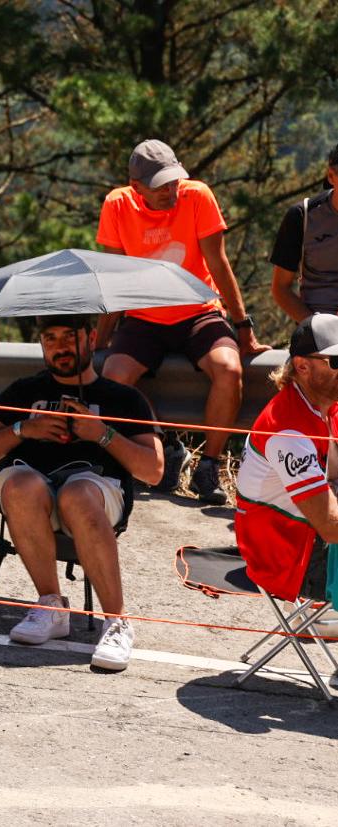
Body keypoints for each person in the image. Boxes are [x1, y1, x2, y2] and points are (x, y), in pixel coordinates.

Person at [0, 315, 163, 672]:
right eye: (50, 338)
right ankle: (51, 605)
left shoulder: (123, 398)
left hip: (95, 492)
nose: (59, 346)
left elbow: (154, 469)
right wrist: (23, 428)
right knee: (22, 485)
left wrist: (101, 434)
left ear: (90, 339)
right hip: (31, 486)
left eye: (68, 337)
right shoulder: (24, 391)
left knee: (77, 494)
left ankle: (117, 621)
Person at [96, 138, 268, 505]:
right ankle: (167, 445)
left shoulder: (197, 196)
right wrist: (100, 339)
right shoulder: (117, 204)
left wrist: (244, 328)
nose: (170, 191)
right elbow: (114, 276)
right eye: (160, 186)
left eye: (174, 181)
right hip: (143, 315)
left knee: (229, 369)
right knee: (113, 376)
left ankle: (210, 464)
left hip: (198, 310)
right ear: (136, 186)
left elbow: (219, 265)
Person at [234, 313, 338, 603]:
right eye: (336, 363)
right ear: (303, 366)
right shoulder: (289, 432)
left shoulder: (325, 404)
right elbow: (330, 526)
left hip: (306, 533)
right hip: (289, 557)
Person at [270, 143, 338, 322]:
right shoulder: (303, 216)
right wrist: (313, 326)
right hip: (317, 322)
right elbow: (280, 288)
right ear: (331, 176)